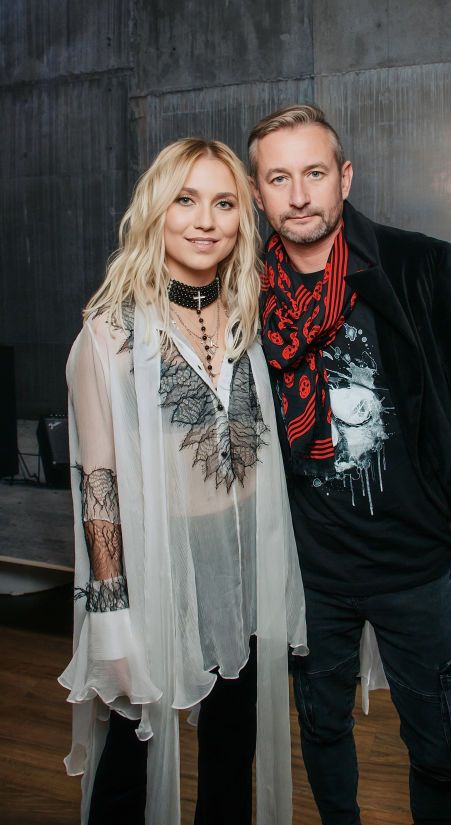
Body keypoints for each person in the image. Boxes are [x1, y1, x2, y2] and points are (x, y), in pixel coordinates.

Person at [248, 104, 451, 825]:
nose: (298, 195)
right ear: (258, 192)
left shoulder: (420, 265)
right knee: (322, 726)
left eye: (314, 173)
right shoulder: (245, 289)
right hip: (309, 569)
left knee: (441, 746)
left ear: (345, 178)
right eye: (279, 178)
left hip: (417, 564)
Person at [59, 137, 307, 825]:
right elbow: (98, 485)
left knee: (231, 751)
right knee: (131, 758)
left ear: (242, 218)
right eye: (186, 200)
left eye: (224, 203)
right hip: (155, 564)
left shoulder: (248, 316)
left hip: (243, 565)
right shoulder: (109, 334)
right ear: (155, 210)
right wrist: (111, 617)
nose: (205, 221)